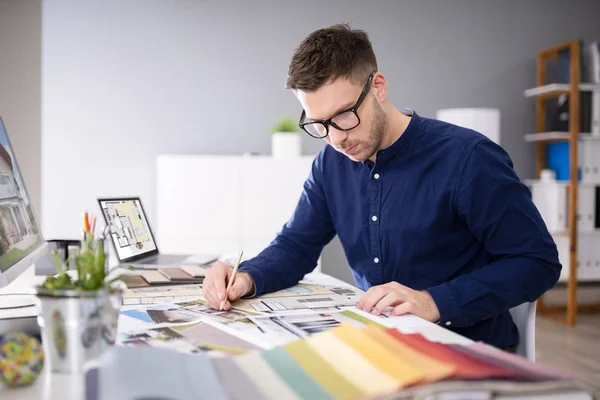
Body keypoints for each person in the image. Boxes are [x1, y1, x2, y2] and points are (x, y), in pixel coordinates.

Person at [202, 24, 561, 349]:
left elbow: (537, 261)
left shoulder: (468, 159)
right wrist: (247, 277)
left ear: (378, 87)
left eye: (344, 115)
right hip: (377, 344)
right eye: (319, 124)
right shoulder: (330, 165)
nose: (337, 138)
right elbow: (296, 246)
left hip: (462, 350)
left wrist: (435, 302)